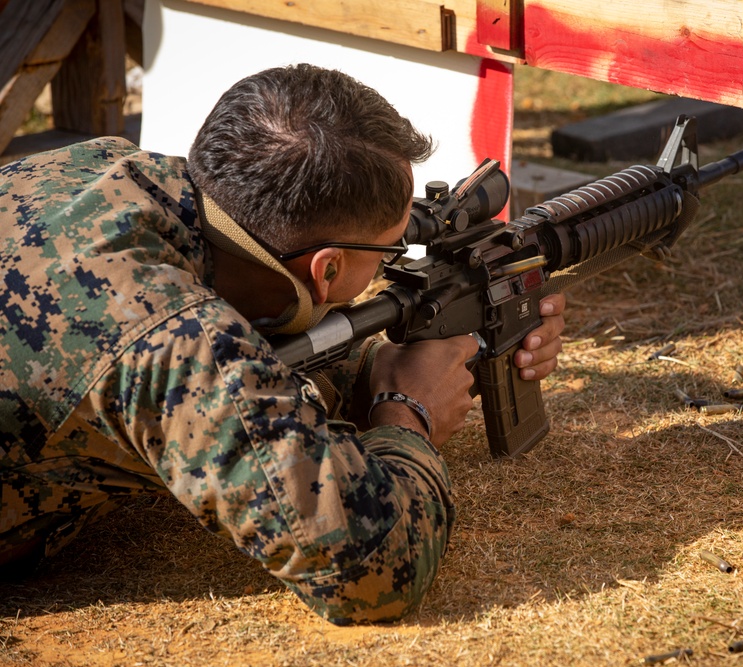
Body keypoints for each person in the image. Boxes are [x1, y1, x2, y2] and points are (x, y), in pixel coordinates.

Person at [0, 63, 566, 624]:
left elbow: (258, 342)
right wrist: (409, 411)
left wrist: (374, 363)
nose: (396, 260)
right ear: (328, 269)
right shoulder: (175, 336)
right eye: (391, 251)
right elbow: (370, 568)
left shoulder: (102, 167)